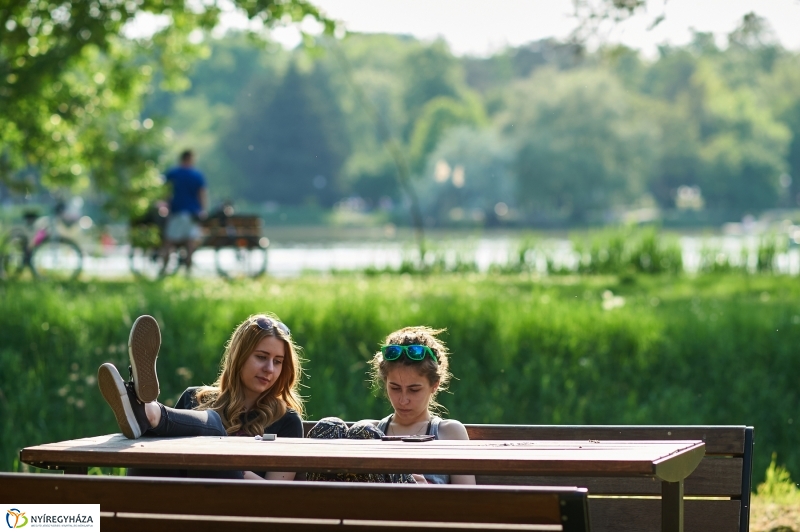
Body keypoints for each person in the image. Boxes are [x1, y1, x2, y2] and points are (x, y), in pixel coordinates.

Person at [97, 314, 303, 480]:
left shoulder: (287, 421)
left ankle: (146, 409)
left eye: (278, 361)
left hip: (237, 510)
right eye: (261, 357)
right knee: (154, 447)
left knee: (213, 428)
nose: (269, 369)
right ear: (238, 357)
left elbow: (275, 496)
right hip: (180, 503)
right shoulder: (194, 398)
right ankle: (147, 414)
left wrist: (230, 463)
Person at [307, 326, 476, 485]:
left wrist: (429, 491)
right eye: (395, 388)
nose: (403, 400)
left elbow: (470, 504)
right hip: (366, 510)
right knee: (332, 427)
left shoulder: (448, 432)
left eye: (414, 390)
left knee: (364, 433)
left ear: (435, 385)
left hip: (422, 510)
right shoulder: (370, 431)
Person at [162, 149, 207, 271]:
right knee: (190, 242)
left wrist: (164, 203)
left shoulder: (173, 173)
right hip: (192, 213)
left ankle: (164, 268)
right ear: (190, 159)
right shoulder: (197, 175)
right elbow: (201, 194)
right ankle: (188, 268)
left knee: (169, 241)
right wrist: (203, 210)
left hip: (177, 211)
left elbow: (165, 191)